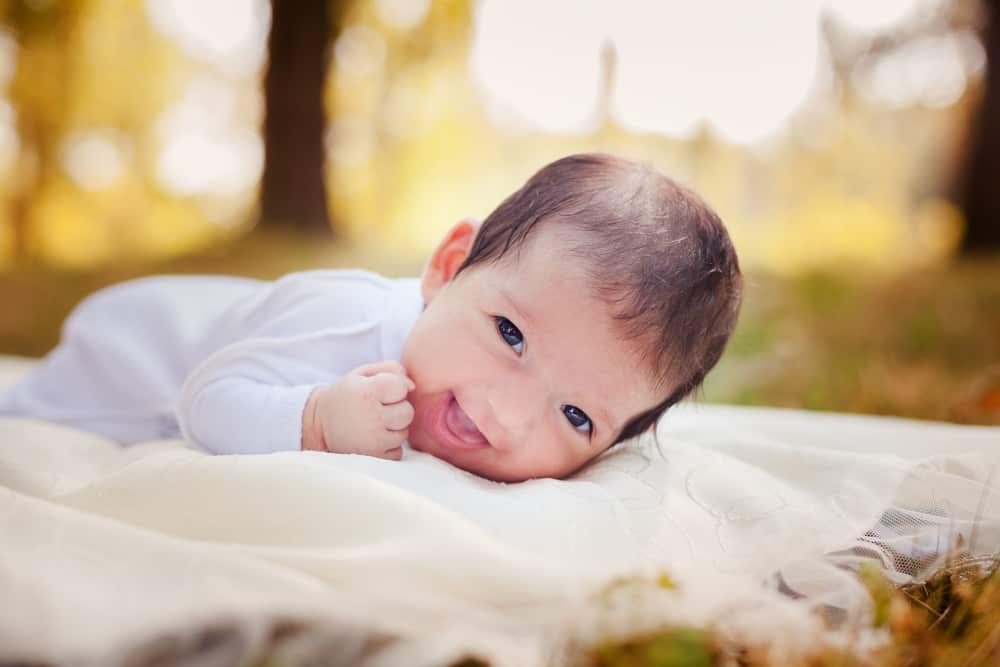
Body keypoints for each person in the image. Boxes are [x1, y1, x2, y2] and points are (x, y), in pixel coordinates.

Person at [0, 153, 742, 482]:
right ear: (448, 267)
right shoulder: (346, 321)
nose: (508, 413)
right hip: (130, 356)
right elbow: (204, 399)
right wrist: (316, 420)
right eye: (510, 334)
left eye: (577, 415)